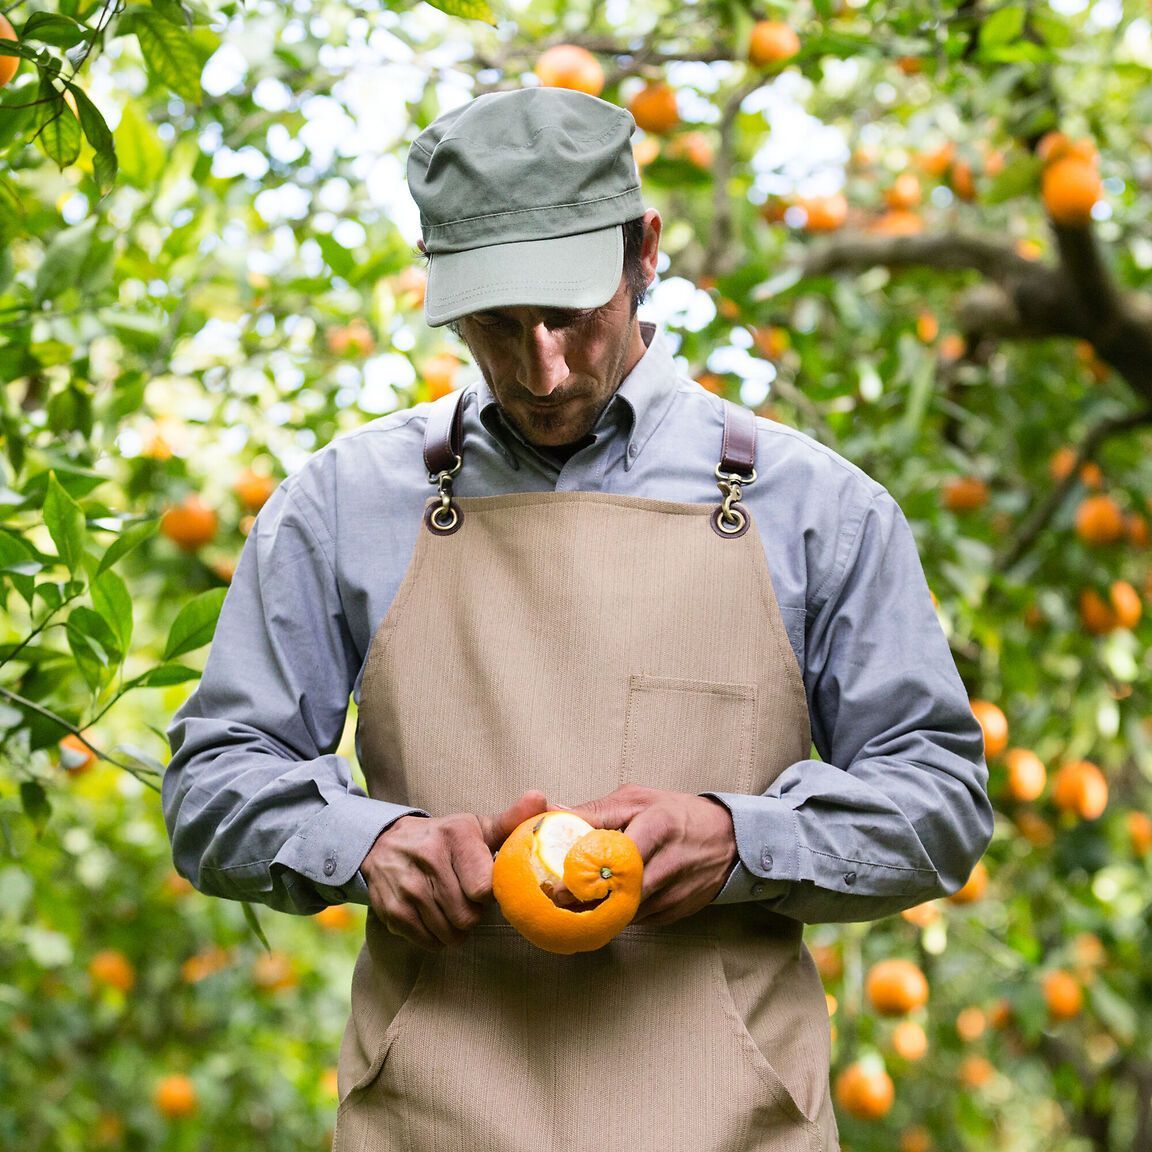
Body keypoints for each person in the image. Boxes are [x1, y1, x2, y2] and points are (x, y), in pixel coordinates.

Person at [164, 87, 993, 1151]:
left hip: (731, 1124)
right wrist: (369, 848)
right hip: (430, 1121)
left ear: (644, 253)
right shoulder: (341, 505)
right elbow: (212, 777)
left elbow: (939, 804)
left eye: (569, 314)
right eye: (498, 326)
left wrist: (743, 839)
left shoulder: (818, 511)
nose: (539, 368)